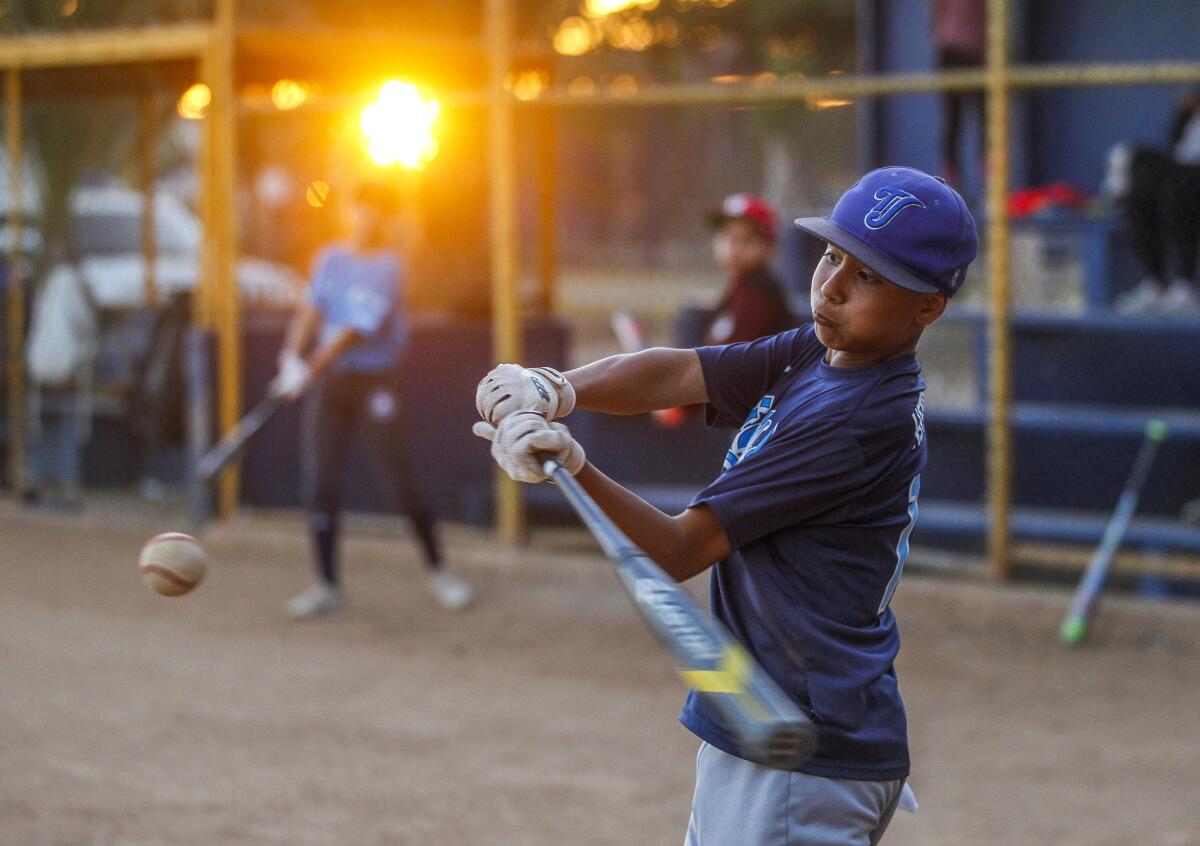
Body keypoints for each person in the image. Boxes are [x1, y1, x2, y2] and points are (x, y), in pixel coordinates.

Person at [474, 166, 976, 845]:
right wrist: (554, 388)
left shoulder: (855, 419)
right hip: (772, 725)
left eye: (868, 278)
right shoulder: (821, 354)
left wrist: (571, 463)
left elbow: (680, 550)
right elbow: (682, 371)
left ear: (928, 305)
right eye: (832, 257)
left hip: (800, 750)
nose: (829, 286)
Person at [276, 182, 472, 620]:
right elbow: (311, 311)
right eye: (359, 209)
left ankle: (439, 572)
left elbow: (351, 331)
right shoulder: (330, 258)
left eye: (375, 212)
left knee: (400, 481)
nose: (365, 218)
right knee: (319, 483)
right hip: (332, 385)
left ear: (386, 219)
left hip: (374, 382)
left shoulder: (388, 267)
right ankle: (327, 584)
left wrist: (310, 368)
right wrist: (290, 357)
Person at [1108, 88, 1200, 314]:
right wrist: (1185, 111)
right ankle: (1155, 285)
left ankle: (1183, 289)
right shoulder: (1190, 115)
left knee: (1179, 187)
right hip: (1182, 176)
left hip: (1191, 182)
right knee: (1136, 192)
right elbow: (1176, 150)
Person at [702, 193, 795, 345]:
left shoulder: (760, 295)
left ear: (769, 246)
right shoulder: (739, 284)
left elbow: (734, 360)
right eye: (726, 236)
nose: (732, 247)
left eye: (745, 239)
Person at [931, 0, 986, 192]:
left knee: (987, 121)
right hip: (955, 50)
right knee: (954, 120)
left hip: (978, 51)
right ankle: (949, 187)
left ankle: (991, 187)